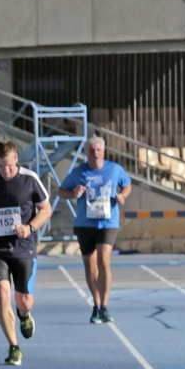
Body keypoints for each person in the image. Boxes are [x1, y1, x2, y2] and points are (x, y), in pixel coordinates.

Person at [0, 141, 51, 366]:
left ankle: (24, 316)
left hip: (24, 248)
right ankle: (14, 347)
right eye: (1, 165)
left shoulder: (30, 179)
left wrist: (30, 227)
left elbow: (46, 208)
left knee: (23, 301)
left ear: (16, 159)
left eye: (9, 166)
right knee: (2, 295)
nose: (5, 171)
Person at [57, 136, 131, 322]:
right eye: (92, 150)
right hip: (85, 223)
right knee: (90, 267)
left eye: (98, 150)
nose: (95, 153)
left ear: (103, 151)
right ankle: (96, 306)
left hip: (108, 222)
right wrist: (74, 193)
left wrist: (122, 196)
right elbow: (61, 191)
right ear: (86, 153)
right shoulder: (78, 172)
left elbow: (128, 185)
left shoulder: (114, 169)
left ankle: (105, 305)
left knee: (104, 261)